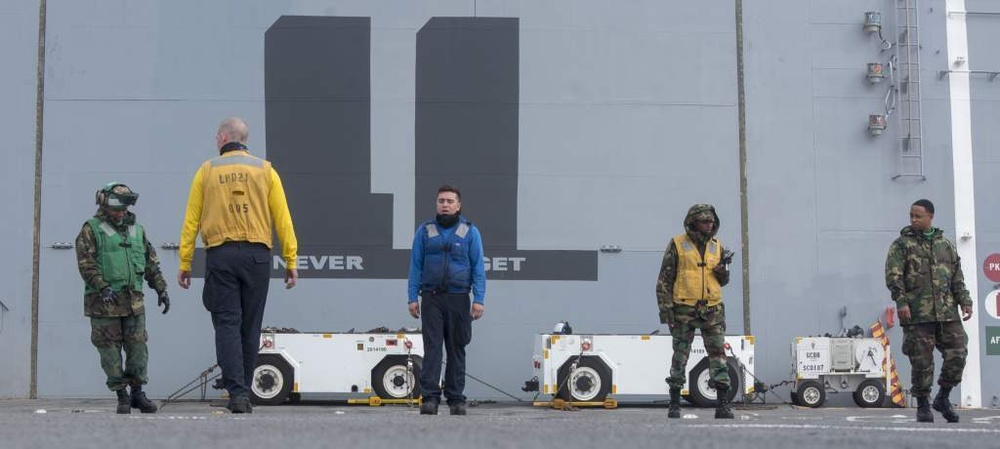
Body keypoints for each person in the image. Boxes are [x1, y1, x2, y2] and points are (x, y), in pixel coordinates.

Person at [177, 117, 299, 414]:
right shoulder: (266, 170)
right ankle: (243, 388)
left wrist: (185, 261)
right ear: (244, 139)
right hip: (258, 257)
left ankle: (238, 393)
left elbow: (191, 219)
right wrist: (291, 259)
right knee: (250, 326)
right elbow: (282, 217)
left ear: (222, 137)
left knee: (227, 324)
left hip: (222, 256)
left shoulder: (207, 171)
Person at [75, 182, 170, 414]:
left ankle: (138, 393)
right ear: (104, 204)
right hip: (104, 303)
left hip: (133, 302)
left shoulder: (137, 231)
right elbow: (86, 263)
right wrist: (102, 286)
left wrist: (161, 289)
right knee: (109, 351)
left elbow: (150, 263)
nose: (121, 212)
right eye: (116, 207)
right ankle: (122, 395)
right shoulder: (92, 229)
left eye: (124, 208)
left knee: (138, 349)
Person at [885, 199, 973, 423]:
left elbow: (957, 278)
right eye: (911, 216)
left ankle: (942, 398)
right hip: (916, 314)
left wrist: (965, 300)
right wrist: (901, 302)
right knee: (922, 362)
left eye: (918, 216)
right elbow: (894, 276)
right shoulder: (902, 245)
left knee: (958, 353)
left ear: (930, 217)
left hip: (947, 313)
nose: (914, 220)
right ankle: (923, 405)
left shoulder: (946, 245)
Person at [407, 185, 486, 416]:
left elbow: (479, 268)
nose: (445, 204)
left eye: (450, 201)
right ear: (436, 204)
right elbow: (415, 266)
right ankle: (430, 398)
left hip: (459, 299)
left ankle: (455, 399)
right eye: (441, 200)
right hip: (432, 299)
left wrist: (478, 299)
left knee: (456, 348)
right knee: (432, 349)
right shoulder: (424, 231)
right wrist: (412, 297)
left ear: (458, 205)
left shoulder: (470, 232)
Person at [655, 204, 734, 419]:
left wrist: (722, 272)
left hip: (712, 310)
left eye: (711, 221)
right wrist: (666, 313)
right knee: (680, 356)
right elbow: (664, 281)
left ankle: (723, 405)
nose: (709, 225)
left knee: (718, 357)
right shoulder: (677, 245)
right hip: (684, 310)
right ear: (693, 222)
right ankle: (674, 403)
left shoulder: (717, 247)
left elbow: (724, 280)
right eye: (705, 221)